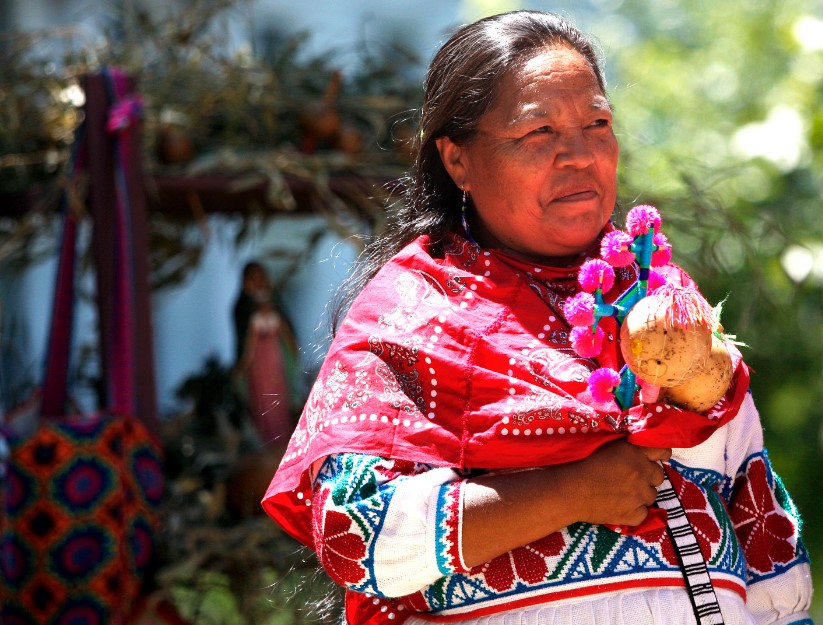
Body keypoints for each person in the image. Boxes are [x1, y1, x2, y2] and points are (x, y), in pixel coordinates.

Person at [262, 11, 814, 625]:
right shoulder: (408, 318)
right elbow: (353, 530)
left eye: (597, 124)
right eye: (538, 131)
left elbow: (760, 530)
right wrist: (571, 491)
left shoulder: (663, 297)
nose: (579, 155)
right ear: (458, 161)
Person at [232, 261, 295, 445]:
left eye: (261, 276)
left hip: (276, 363)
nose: (258, 282)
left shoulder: (276, 302)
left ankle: (282, 440)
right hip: (257, 364)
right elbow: (243, 339)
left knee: (279, 402)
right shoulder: (243, 308)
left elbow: (288, 335)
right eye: (253, 277)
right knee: (261, 403)